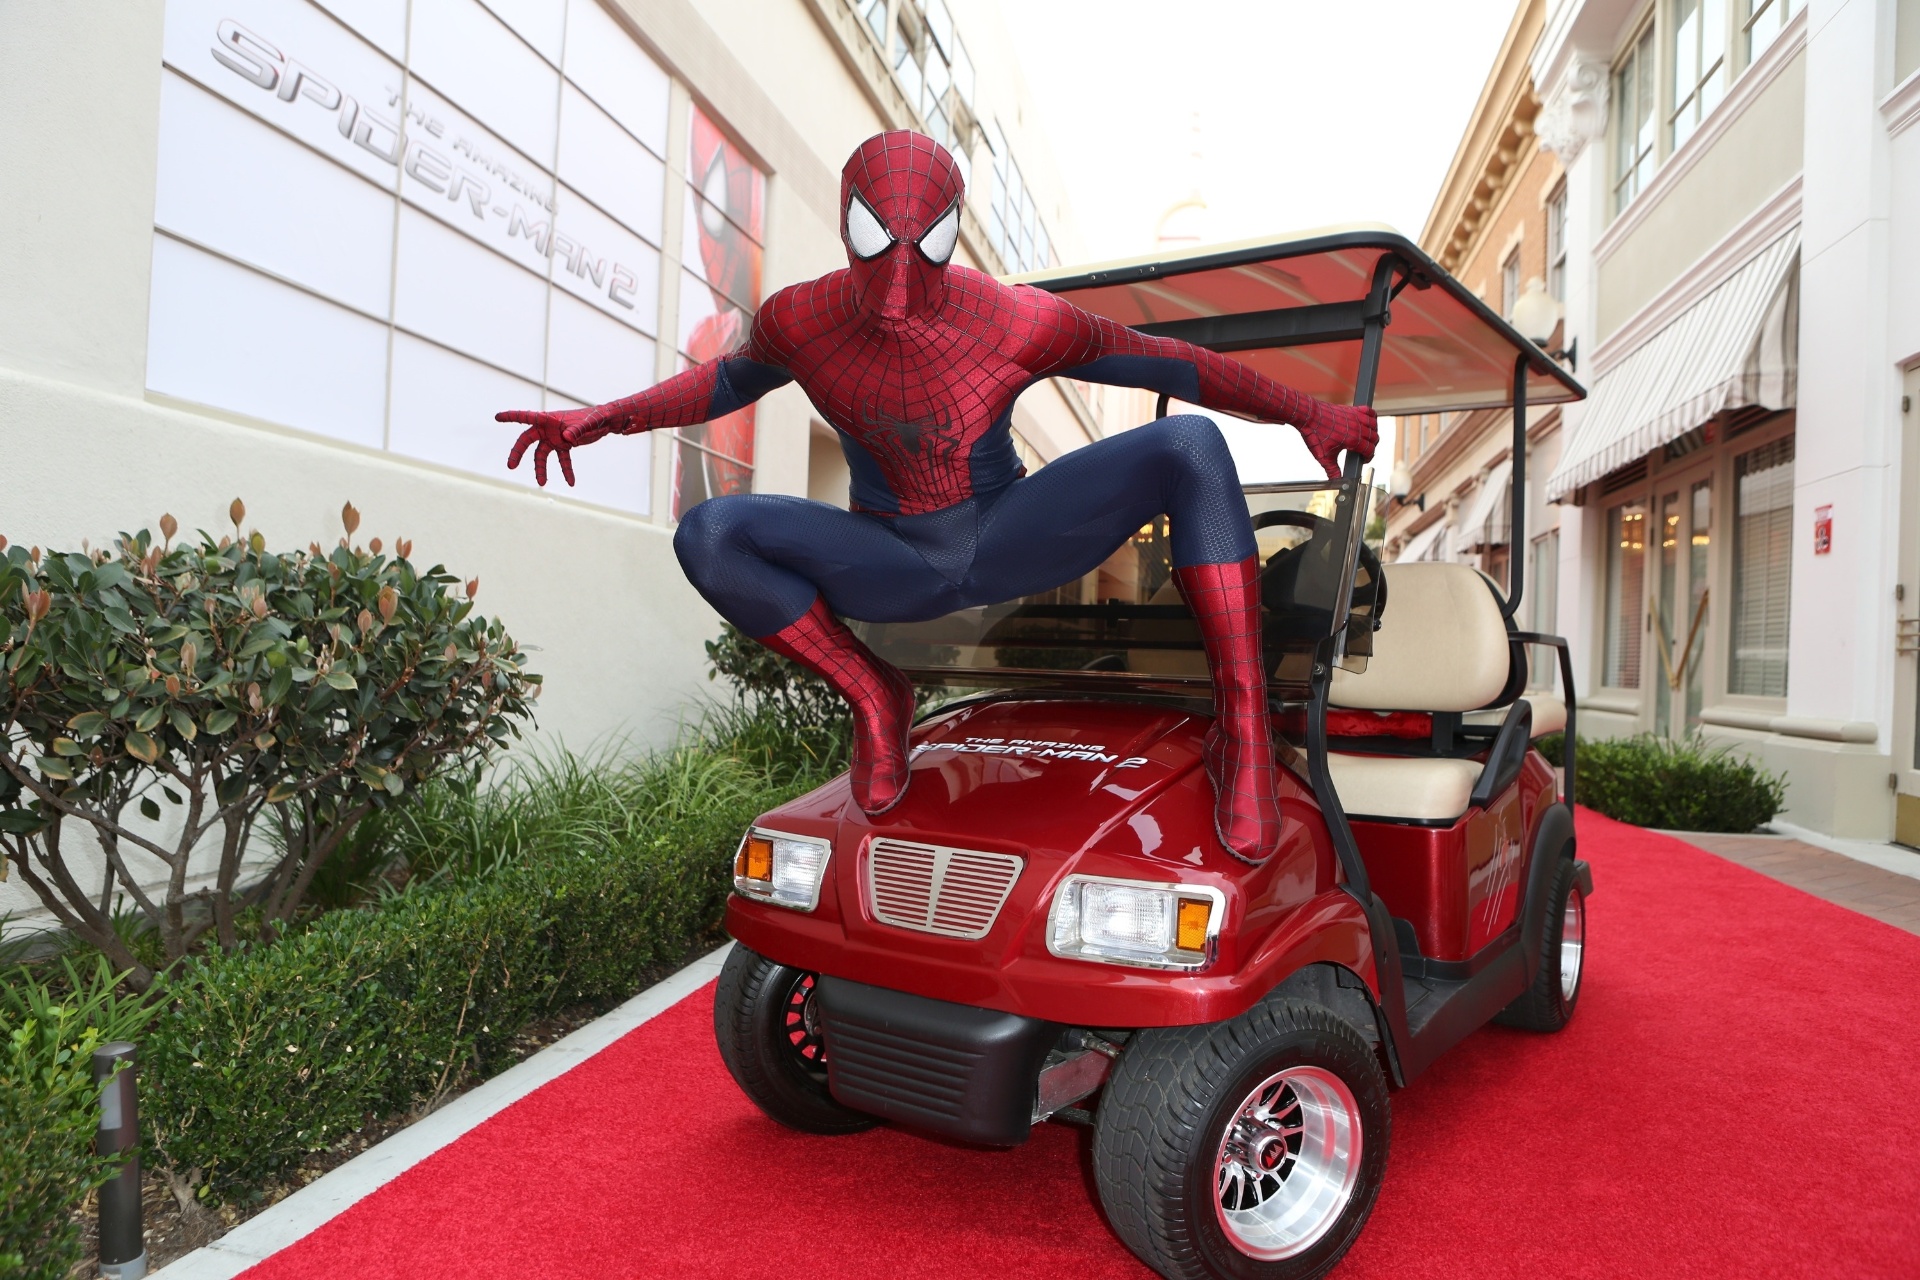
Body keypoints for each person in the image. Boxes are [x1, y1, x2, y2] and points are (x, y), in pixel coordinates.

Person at [499, 131, 1375, 863]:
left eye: (928, 246)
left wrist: (1307, 411)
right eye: (877, 241)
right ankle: (877, 695)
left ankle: (1245, 720)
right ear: (846, 223)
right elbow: (724, 383)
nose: (899, 287)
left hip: (1010, 536)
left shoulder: (1017, 318)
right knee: (709, 531)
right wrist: (606, 419)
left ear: (956, 234)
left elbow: (1168, 362)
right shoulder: (798, 320)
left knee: (1188, 441)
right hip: (893, 560)